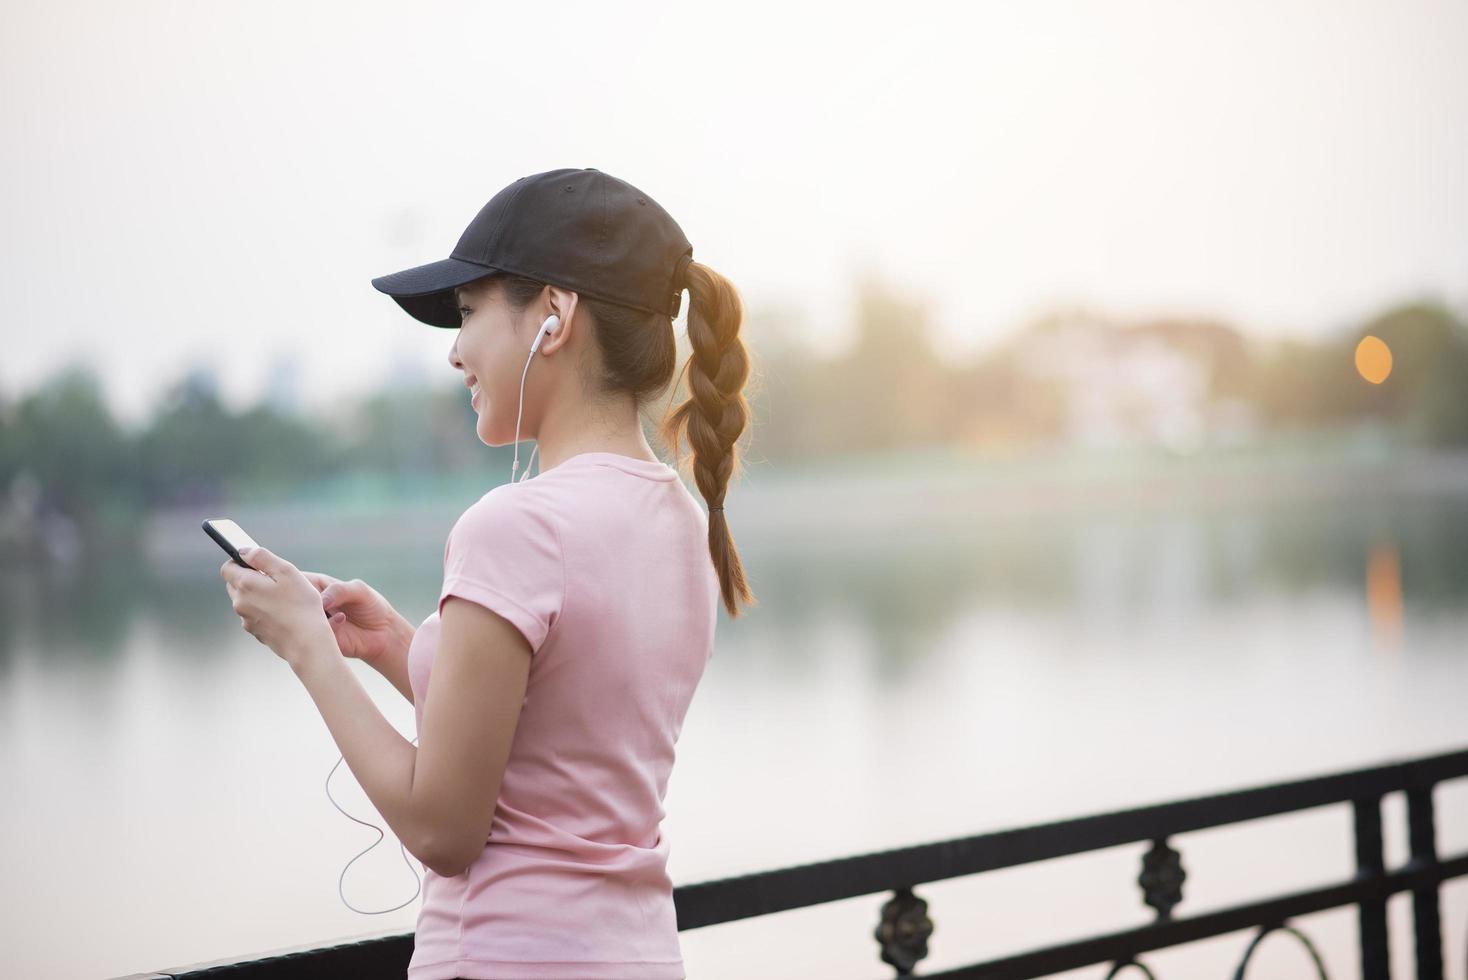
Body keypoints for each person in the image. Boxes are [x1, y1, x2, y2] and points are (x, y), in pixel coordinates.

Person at [322, 168, 755, 979]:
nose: (455, 353)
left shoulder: (513, 526)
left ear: (554, 317)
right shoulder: (682, 519)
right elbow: (557, 734)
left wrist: (305, 654)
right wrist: (394, 649)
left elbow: (444, 830)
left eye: (467, 313)